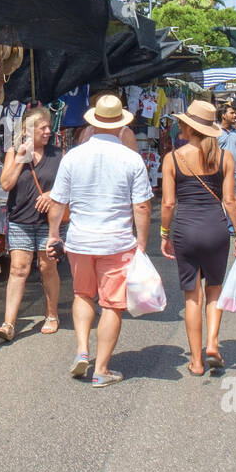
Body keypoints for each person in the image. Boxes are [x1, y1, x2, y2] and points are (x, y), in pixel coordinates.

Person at [47, 94, 152, 388]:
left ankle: (82, 350)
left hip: (80, 240)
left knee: (82, 295)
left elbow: (58, 202)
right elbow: (142, 207)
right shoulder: (132, 159)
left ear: (93, 123)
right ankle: (101, 369)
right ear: (121, 127)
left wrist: (54, 235)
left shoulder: (73, 157)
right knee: (112, 305)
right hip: (117, 242)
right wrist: (141, 243)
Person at [161, 100, 236, 375]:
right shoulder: (225, 158)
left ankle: (196, 361)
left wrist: (164, 233)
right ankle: (212, 344)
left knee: (191, 297)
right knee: (214, 292)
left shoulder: (172, 159)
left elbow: (169, 203)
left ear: (188, 126)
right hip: (216, 229)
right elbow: (230, 200)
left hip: (186, 229)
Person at [0, 107, 62, 342]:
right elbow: (6, 184)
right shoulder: (15, 152)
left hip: (49, 222)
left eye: (48, 126)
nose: (48, 131)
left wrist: (51, 194)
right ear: (28, 130)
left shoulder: (57, 154)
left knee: (47, 267)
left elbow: (70, 186)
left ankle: (51, 315)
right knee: (17, 269)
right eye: (42, 127)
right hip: (20, 220)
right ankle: (9, 323)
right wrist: (21, 159)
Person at [217, 105, 236, 171]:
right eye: (231, 113)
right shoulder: (216, 132)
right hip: (220, 172)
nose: (235, 115)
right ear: (223, 115)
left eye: (234, 113)